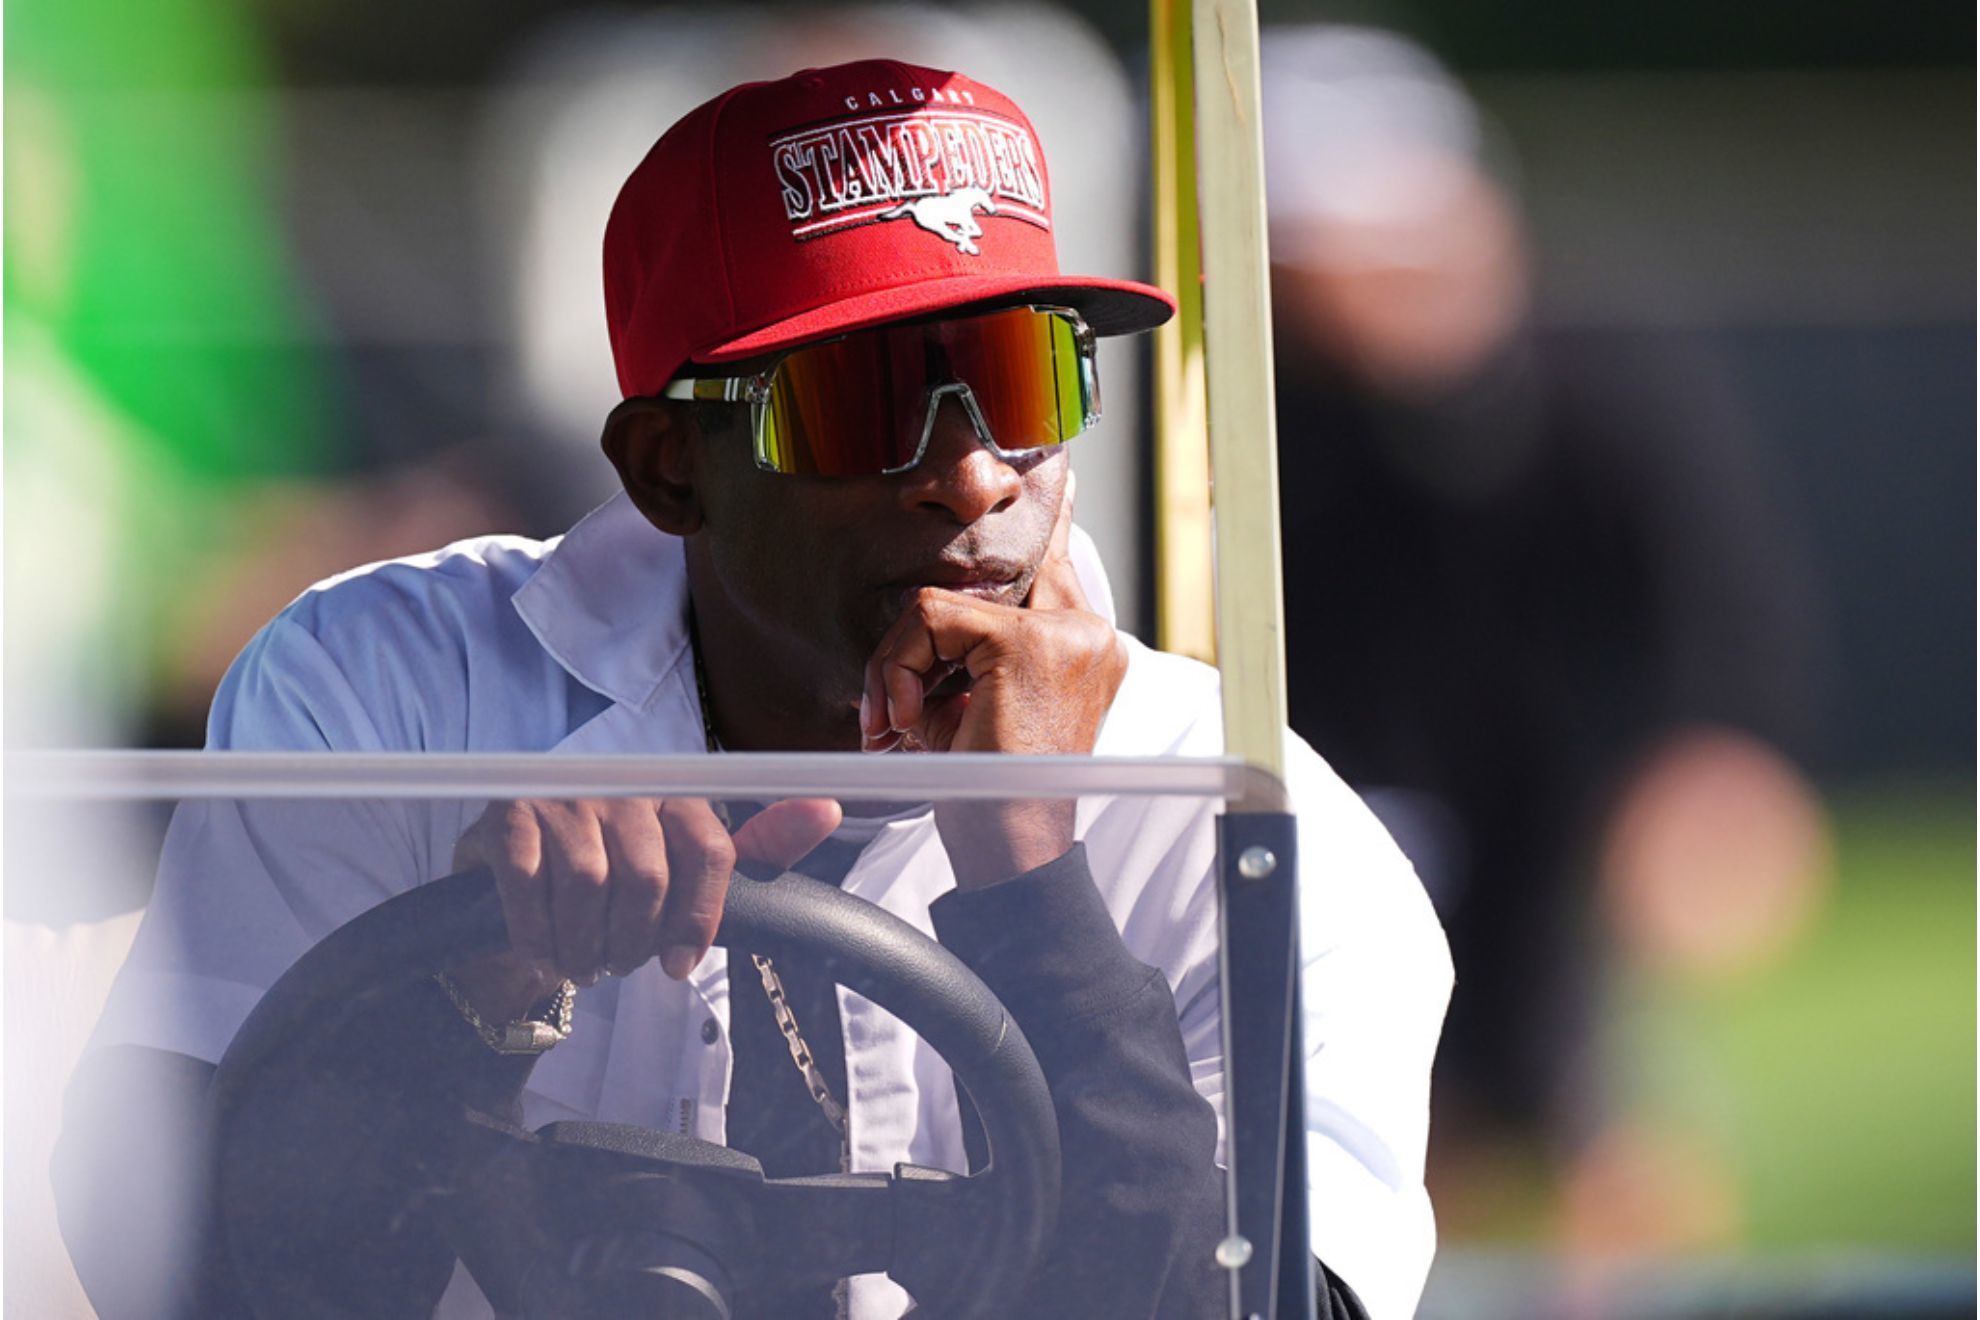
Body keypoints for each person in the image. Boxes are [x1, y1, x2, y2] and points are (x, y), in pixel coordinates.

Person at [56, 59, 1451, 1319]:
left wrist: (1034, 881)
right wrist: (478, 979)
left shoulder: (1248, 813)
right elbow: (186, 1278)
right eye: (864, 398)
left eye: (1026, 381)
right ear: (671, 467)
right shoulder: (385, 696)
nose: (970, 474)